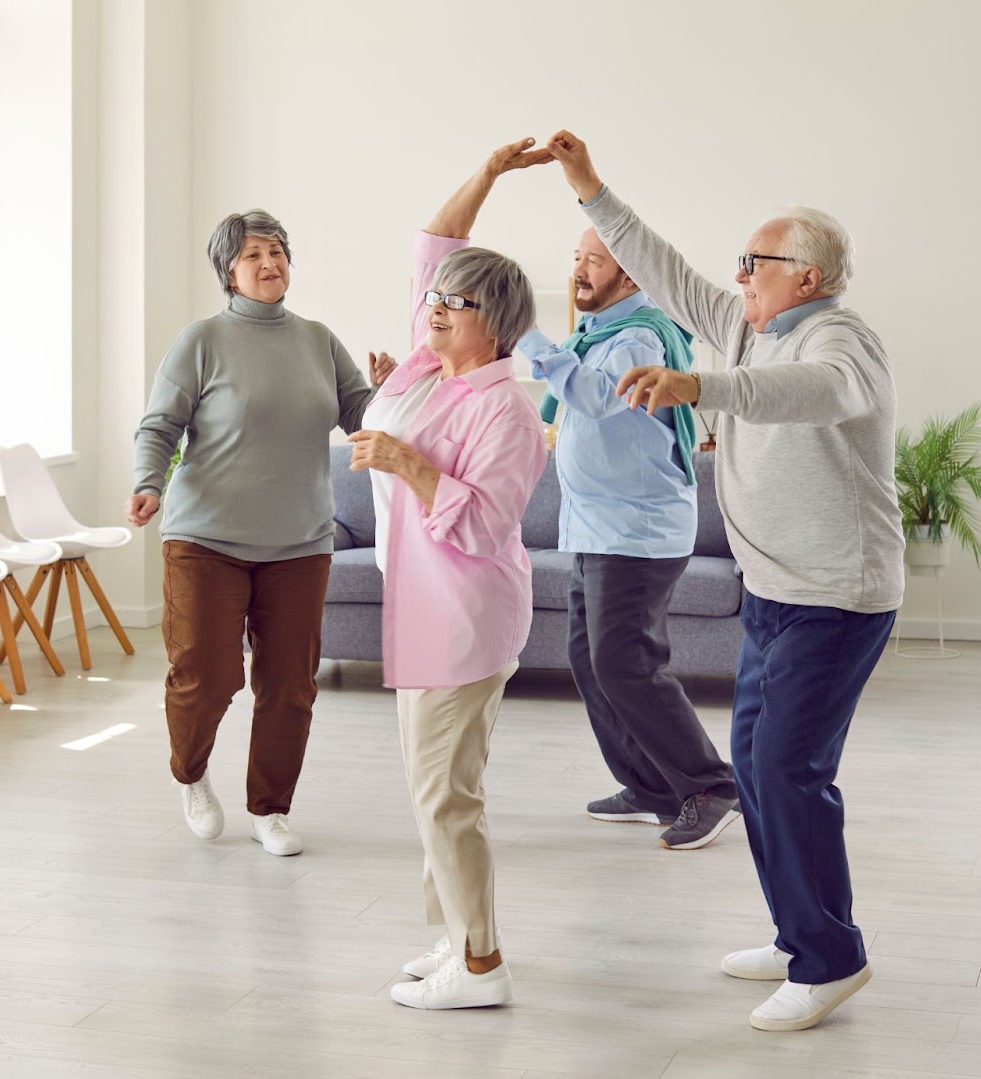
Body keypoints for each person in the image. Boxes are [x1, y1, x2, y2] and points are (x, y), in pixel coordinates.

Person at [544, 131, 903, 1032]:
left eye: (756, 262)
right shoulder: (748, 325)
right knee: (751, 764)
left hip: (838, 593)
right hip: (777, 591)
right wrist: (591, 188)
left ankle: (830, 959)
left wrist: (701, 386)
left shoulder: (841, 341)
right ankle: (798, 936)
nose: (738, 275)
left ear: (807, 276)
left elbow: (816, 395)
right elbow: (661, 269)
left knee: (787, 770)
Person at [351, 139, 548, 1010]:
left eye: (454, 303)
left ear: (495, 322)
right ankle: (456, 934)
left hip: (464, 612)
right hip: (420, 605)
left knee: (446, 796)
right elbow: (437, 240)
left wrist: (403, 461)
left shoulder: (506, 406)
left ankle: (481, 965)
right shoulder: (432, 364)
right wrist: (492, 175)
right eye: (433, 298)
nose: (432, 307)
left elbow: (486, 520)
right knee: (432, 789)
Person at [128, 210, 386, 858]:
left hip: (299, 540)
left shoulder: (319, 340)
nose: (269, 263)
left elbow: (364, 415)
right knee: (206, 676)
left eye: (276, 251)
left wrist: (392, 390)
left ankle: (271, 807)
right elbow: (159, 425)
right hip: (205, 537)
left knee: (290, 685)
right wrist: (148, 483)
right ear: (228, 272)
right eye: (252, 255)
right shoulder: (202, 340)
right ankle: (190, 773)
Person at [518, 224, 740, 850]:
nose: (580, 271)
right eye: (577, 258)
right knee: (592, 665)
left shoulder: (639, 336)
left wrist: (524, 335)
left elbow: (592, 398)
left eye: (595, 261)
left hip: (636, 531)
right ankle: (649, 786)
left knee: (625, 664)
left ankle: (710, 786)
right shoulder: (595, 334)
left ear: (633, 275)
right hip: (598, 527)